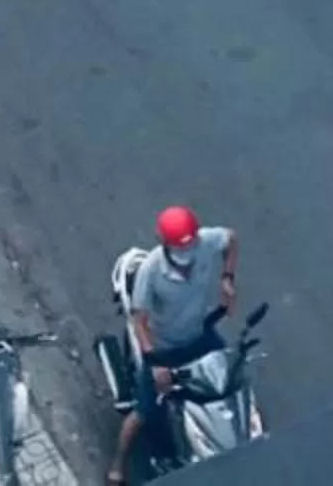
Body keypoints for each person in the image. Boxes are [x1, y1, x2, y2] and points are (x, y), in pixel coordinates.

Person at [111, 204, 237, 485]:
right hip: (164, 349)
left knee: (231, 380)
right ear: (165, 243)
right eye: (182, 249)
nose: (188, 255)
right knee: (143, 412)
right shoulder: (152, 270)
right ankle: (118, 465)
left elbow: (231, 238)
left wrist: (227, 279)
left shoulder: (206, 241)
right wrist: (155, 364)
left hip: (199, 335)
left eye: (192, 244)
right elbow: (140, 322)